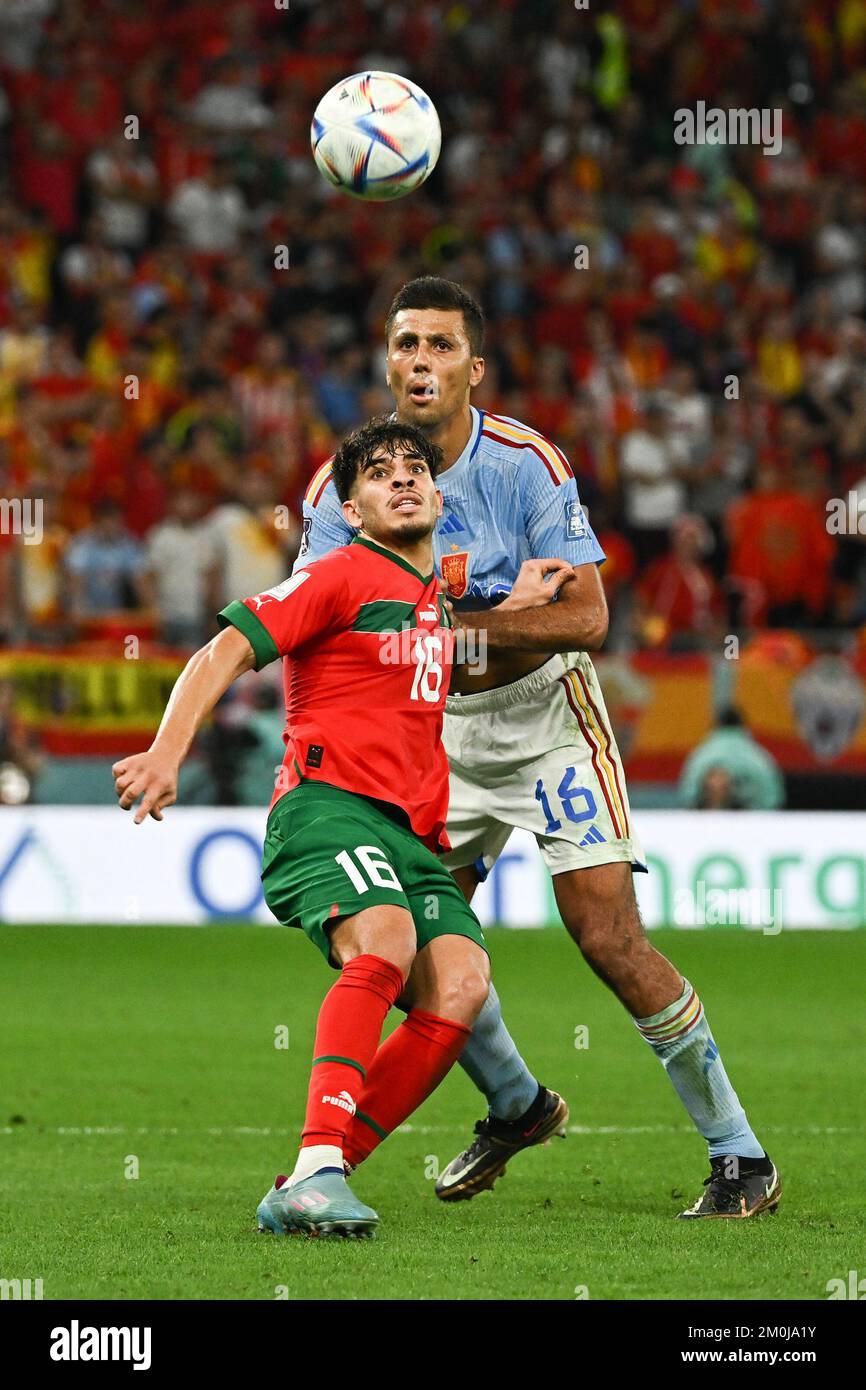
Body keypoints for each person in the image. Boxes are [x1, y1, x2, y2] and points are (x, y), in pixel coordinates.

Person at [299, 277, 781, 1221]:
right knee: (401, 949)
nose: (420, 362)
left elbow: (587, 619)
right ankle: (517, 1102)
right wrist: (493, 613)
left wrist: (458, 625)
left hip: (546, 720)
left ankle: (740, 1155)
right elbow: (341, 634)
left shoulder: (524, 463)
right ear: (388, 361)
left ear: (474, 368)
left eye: (440, 346)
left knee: (605, 934)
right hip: (432, 732)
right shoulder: (344, 487)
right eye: (405, 344)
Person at [112, 417, 567, 1239]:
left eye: (416, 468)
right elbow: (221, 650)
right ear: (351, 509)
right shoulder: (338, 574)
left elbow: (434, 639)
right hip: (327, 808)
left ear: (439, 494)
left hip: (415, 838)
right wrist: (164, 752)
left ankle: (316, 1176)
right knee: (385, 941)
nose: (402, 478)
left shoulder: (429, 600)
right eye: (379, 473)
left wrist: (516, 604)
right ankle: (321, 1166)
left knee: (460, 986)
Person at [679, 708, 785, 811]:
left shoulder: (700, 755)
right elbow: (773, 798)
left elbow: (688, 796)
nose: (717, 786)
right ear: (743, 726)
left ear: (716, 725)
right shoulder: (759, 756)